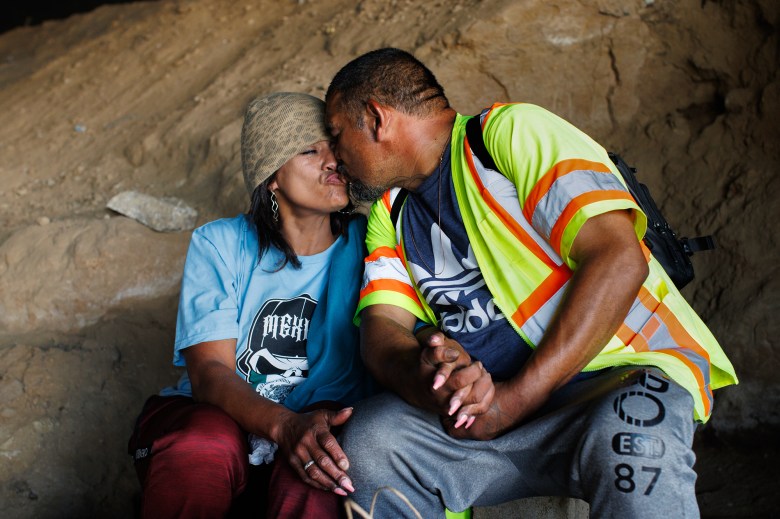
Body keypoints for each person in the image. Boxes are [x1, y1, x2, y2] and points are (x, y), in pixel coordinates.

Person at [324, 48, 738, 518]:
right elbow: (381, 333)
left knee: (633, 437)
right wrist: (434, 379)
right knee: (372, 441)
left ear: (377, 118)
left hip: (612, 381)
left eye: (337, 135)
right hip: (490, 414)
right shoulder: (390, 214)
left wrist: (515, 399)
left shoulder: (508, 134)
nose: (335, 156)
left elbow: (619, 259)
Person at [127, 92, 373, 518]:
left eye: (335, 148)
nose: (333, 161)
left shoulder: (370, 241)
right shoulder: (220, 243)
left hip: (324, 420)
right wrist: (284, 425)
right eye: (309, 150)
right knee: (202, 446)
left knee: (321, 473)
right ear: (271, 176)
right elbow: (208, 373)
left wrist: (302, 430)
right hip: (222, 416)